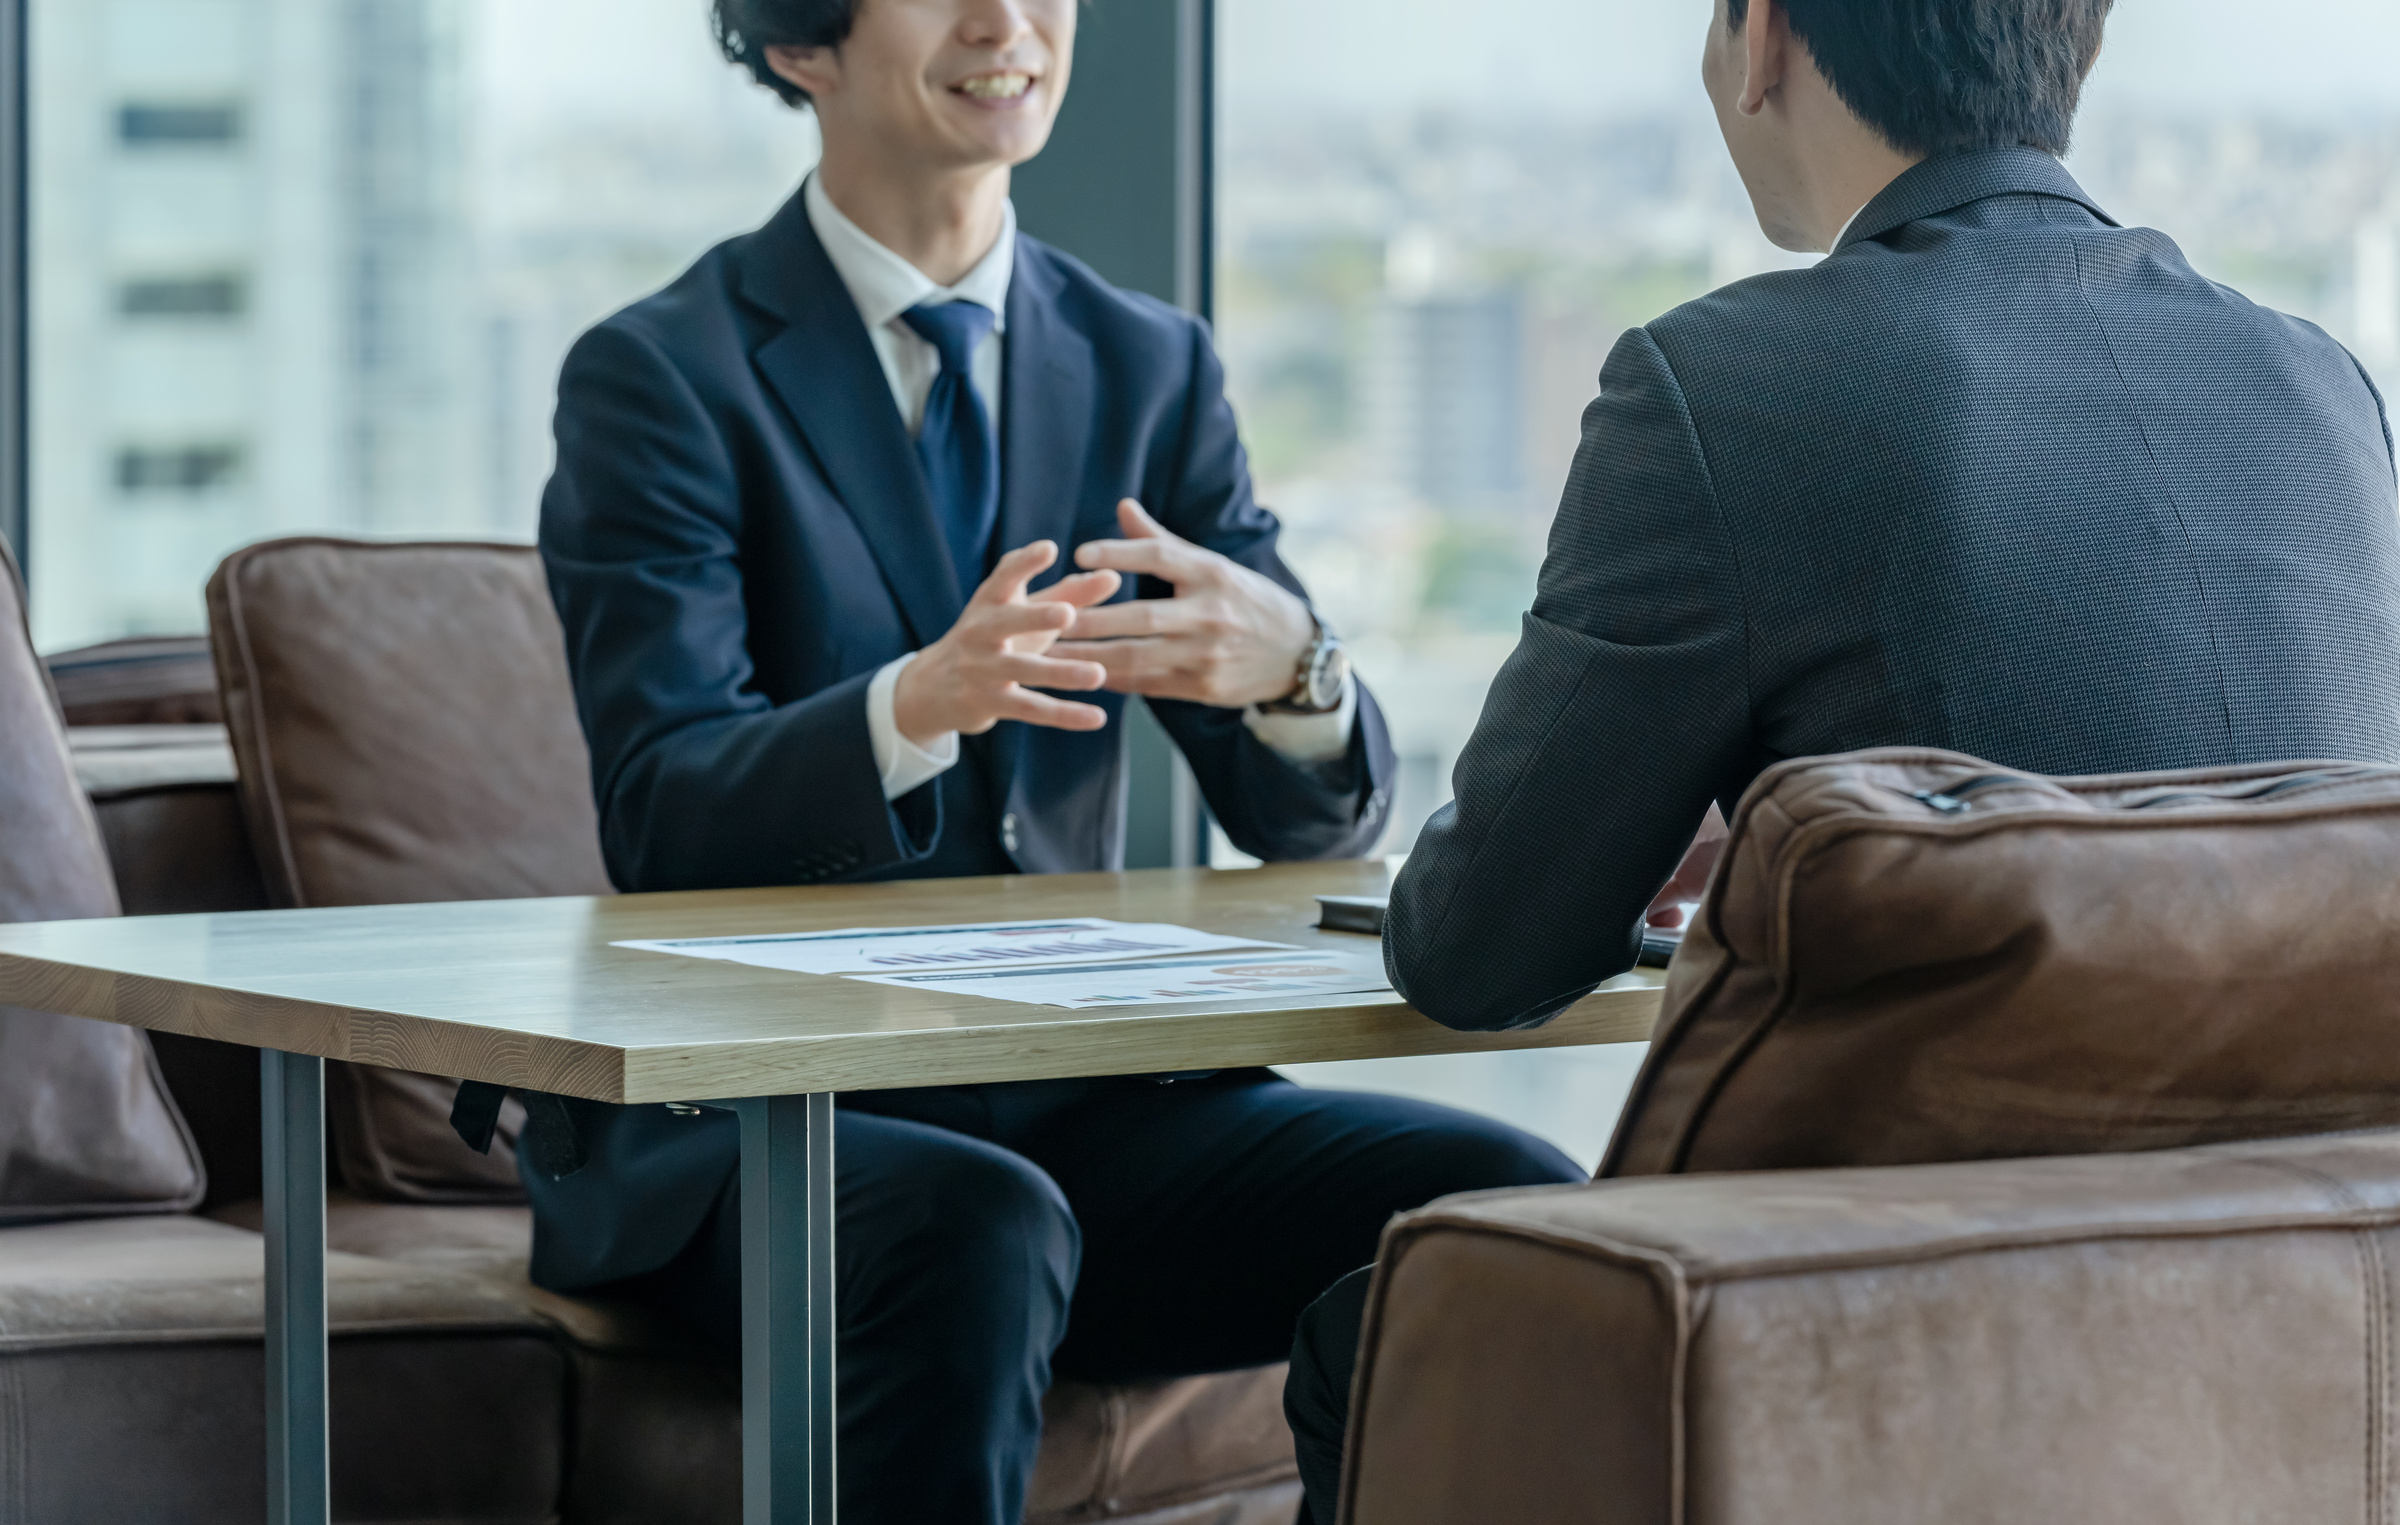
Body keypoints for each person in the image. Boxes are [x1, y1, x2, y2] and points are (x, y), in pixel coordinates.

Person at [1281, 0, 2400, 1517]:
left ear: (1765, 41)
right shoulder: (2321, 392)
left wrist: (1690, 847)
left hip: (1873, 1350)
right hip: (2278, 1348)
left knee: (1381, 1331)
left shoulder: (1727, 383)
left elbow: (1473, 949)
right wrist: (1838, 844)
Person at [528, 0, 1584, 1520]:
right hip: (755, 1128)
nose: (1008, 21)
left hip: (1081, 1100)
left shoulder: (1146, 363)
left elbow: (1317, 819)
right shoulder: (662, 377)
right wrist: (915, 704)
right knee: (977, 1222)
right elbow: (659, 812)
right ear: (799, 44)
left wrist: (1301, 669)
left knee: (1503, 1208)